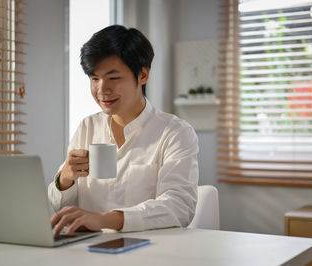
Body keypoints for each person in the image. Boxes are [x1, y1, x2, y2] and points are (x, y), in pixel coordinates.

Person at [48, 25, 199, 236]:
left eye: (113, 78)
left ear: (143, 75)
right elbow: (58, 205)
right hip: (86, 250)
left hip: (147, 251)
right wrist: (64, 179)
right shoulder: (87, 126)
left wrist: (106, 219)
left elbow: (179, 207)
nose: (102, 90)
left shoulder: (174, 132)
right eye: (94, 78)